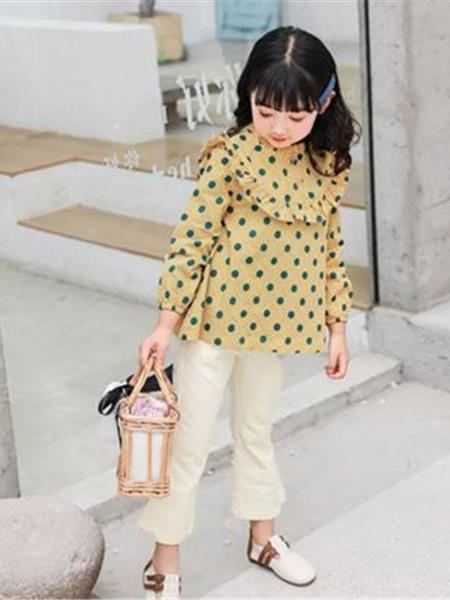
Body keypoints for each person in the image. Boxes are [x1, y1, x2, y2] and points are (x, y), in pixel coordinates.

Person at [133, 25, 362, 599]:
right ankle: (164, 558)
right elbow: (191, 242)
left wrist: (338, 328)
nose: (279, 127)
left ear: (324, 103)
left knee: (257, 433)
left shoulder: (327, 165)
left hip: (275, 331)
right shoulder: (230, 157)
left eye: (295, 115)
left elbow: (330, 250)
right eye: (265, 111)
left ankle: (264, 537)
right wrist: (165, 325)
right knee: (188, 443)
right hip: (212, 328)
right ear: (249, 97)